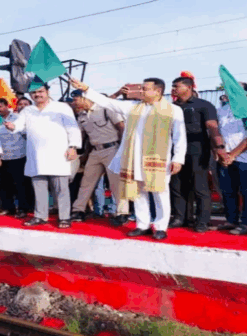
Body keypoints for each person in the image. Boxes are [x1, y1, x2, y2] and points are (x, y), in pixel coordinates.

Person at [70, 78, 186, 240]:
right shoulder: (133, 108)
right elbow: (107, 103)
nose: (141, 92)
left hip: (158, 159)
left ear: (157, 91)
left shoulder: (173, 110)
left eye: (145, 89)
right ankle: (142, 224)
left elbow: (180, 136)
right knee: (138, 192)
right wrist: (87, 89)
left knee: (160, 192)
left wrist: (178, 158)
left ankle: (160, 226)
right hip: (134, 157)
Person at [4, 83, 82, 228]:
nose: (37, 94)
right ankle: (40, 216)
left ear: (47, 92)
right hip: (36, 156)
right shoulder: (28, 110)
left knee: (61, 189)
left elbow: (73, 128)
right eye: (33, 92)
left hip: (58, 154)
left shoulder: (61, 107)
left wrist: (73, 147)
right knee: (39, 188)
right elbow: (19, 125)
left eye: (40, 91)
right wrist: (12, 126)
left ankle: (64, 217)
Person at [169, 76, 226, 233]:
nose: (173, 89)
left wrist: (219, 147)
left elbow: (212, 127)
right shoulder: (171, 107)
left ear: (188, 87)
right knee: (177, 185)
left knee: (199, 186)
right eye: (172, 86)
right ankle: (181, 217)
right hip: (175, 151)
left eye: (176, 86)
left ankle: (202, 221)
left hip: (198, 149)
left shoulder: (204, 105)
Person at [69, 90, 127, 223]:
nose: (74, 103)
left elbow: (122, 128)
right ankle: (78, 211)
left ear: (84, 98)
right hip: (95, 152)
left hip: (112, 149)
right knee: (86, 182)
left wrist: (123, 149)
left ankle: (122, 213)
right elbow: (81, 136)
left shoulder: (106, 109)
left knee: (116, 183)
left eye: (76, 99)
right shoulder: (82, 115)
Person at [215, 97, 247, 235]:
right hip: (225, 158)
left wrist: (233, 154)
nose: (227, 95)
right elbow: (216, 131)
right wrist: (220, 151)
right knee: (228, 191)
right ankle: (231, 220)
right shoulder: (222, 110)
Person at [0, 98, 32, 217]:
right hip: (2, 157)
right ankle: (8, 208)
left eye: (0, 107)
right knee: (4, 185)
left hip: (19, 155)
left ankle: (23, 209)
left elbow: (27, 135)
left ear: (7, 106)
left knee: (20, 184)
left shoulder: (17, 118)